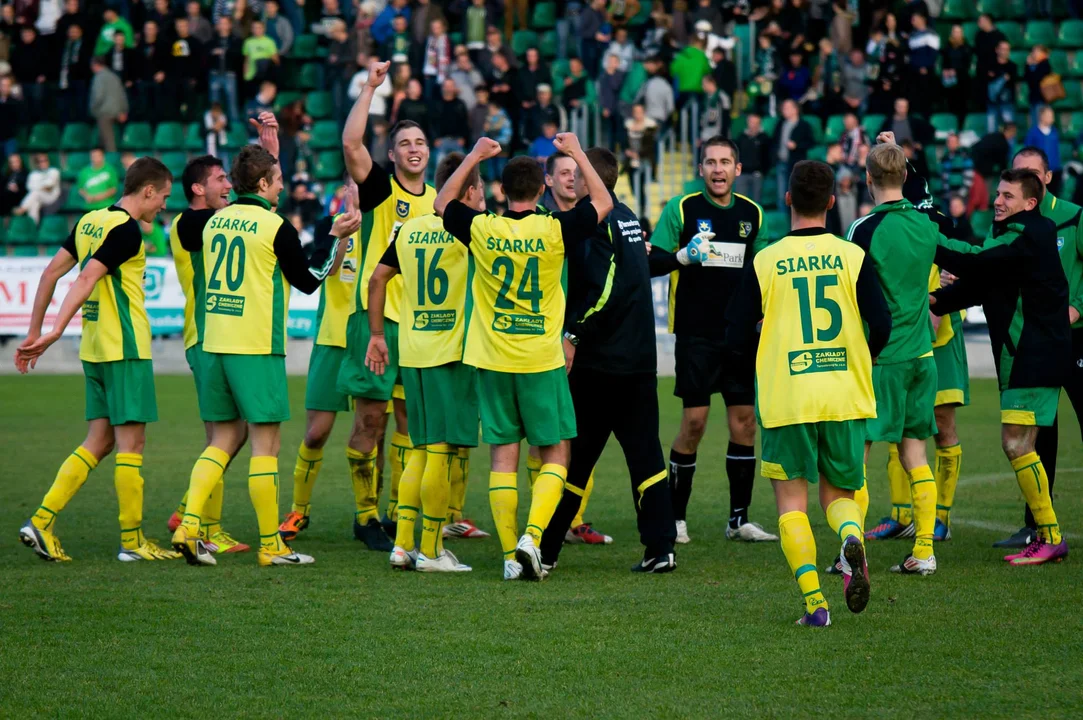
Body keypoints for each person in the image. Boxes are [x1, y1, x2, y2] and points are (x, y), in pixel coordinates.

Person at [170, 141, 359, 567]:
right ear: (262, 183)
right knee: (266, 446)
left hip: (213, 342)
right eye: (277, 181)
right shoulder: (276, 227)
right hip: (255, 346)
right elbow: (310, 280)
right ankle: (272, 545)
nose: (282, 188)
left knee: (220, 441)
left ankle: (188, 525)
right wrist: (334, 236)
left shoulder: (214, 223)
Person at [434, 134, 614, 579]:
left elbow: (441, 202)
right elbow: (604, 201)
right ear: (540, 190)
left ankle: (508, 558)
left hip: (493, 359)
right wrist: (574, 153)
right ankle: (532, 537)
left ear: (501, 192)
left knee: (502, 460)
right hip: (540, 358)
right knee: (554, 454)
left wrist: (474, 155)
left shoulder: (483, 227)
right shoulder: (556, 228)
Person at [727, 159, 890, 627]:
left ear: (788, 200)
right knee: (840, 493)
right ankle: (848, 538)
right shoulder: (852, 256)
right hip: (843, 392)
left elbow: (736, 333)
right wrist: (861, 355)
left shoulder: (766, 259)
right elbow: (881, 324)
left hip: (788, 394)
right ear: (832, 203)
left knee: (790, 504)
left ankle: (816, 606)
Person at [15, 157, 179, 563]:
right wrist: (53, 332)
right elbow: (86, 279)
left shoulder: (90, 221)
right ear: (147, 191)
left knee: (100, 441)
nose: (163, 206)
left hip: (95, 348)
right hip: (124, 347)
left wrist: (35, 330)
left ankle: (41, 521)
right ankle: (132, 542)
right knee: (132, 444)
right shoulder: (126, 231)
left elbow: (50, 273)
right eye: (163, 197)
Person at [540, 147, 679, 573]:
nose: (570, 181)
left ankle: (544, 552)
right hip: (639, 360)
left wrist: (573, 333)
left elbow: (605, 288)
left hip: (603, 364)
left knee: (576, 459)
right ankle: (661, 549)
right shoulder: (629, 217)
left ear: (587, 179)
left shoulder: (597, 221)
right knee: (646, 458)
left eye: (575, 174)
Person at [932, 169, 1070, 566]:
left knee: (1016, 443)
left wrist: (926, 238)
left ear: (1030, 202)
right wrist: (936, 301)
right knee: (1018, 444)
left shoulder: (1031, 232)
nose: (997, 200)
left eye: (1008, 196)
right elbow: (980, 286)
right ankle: (1048, 534)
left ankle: (1050, 535)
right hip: (1026, 357)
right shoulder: (1015, 238)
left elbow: (971, 262)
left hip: (1035, 357)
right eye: (997, 193)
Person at [363, 152, 490, 572]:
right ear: (469, 191)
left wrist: (378, 335)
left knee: (419, 448)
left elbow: (377, 278)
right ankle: (433, 550)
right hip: (451, 353)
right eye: (482, 190)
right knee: (441, 452)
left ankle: (402, 544)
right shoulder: (471, 230)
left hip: (413, 351)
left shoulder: (410, 229)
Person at [652, 137, 777, 545]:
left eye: (725, 162)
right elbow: (651, 259)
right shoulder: (683, 208)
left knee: (744, 425)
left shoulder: (752, 213)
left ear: (738, 170)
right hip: (696, 334)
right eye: (710, 162)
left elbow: (764, 271)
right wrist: (682, 256)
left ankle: (738, 520)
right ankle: (676, 518)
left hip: (740, 337)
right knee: (694, 423)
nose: (718, 169)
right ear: (700, 169)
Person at [337, 60, 436, 551]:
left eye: (419, 143)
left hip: (420, 327)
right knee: (370, 420)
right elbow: (352, 144)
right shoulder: (380, 191)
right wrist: (372, 88)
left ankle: (399, 510)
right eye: (404, 144)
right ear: (392, 156)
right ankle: (364, 515)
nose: (413, 150)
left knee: (408, 423)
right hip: (376, 321)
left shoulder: (441, 201)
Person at [163, 153, 265, 555]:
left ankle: (191, 512)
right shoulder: (193, 223)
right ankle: (204, 528)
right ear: (198, 189)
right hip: (205, 336)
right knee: (221, 436)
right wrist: (259, 177)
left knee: (231, 434)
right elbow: (252, 214)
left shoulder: (211, 221)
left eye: (228, 178)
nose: (227, 186)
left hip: (216, 337)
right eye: (220, 180)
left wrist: (264, 159)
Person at [846, 140, 940, 576]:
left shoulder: (863, 229)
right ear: (903, 176)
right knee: (915, 455)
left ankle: (850, 551)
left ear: (867, 180)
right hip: (923, 354)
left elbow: (852, 295)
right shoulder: (926, 224)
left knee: (857, 455)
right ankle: (924, 551)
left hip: (882, 359)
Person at [990, 147, 1083, 549]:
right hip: (1035, 343)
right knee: (1037, 436)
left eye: (1032, 172)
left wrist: (1077, 308)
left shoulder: (1074, 216)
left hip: (1075, 336)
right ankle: (1036, 526)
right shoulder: (1008, 223)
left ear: (1046, 178)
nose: (1024, 177)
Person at [772, 99, 814, 230]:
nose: (785, 110)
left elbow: (810, 142)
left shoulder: (803, 125)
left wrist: (797, 146)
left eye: (788, 107)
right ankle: (783, 226)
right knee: (781, 196)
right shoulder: (780, 124)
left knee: (795, 194)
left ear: (796, 109)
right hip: (781, 163)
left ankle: (795, 225)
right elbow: (774, 142)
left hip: (796, 165)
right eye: (784, 108)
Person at [89, 55, 129, 153]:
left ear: (95, 65)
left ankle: (112, 160)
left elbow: (98, 96)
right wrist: (123, 111)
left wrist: (92, 110)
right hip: (117, 112)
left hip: (104, 113)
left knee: (109, 143)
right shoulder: (114, 76)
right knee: (102, 139)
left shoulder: (99, 77)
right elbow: (122, 95)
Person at [1023, 106, 1062, 196]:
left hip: (1054, 171)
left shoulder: (1054, 132)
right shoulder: (1033, 133)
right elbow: (1028, 151)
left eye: (1052, 116)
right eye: (1049, 116)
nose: (1052, 119)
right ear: (1041, 116)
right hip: (1038, 172)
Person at [734, 114, 770, 205]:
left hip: (757, 174)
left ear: (760, 123)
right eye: (751, 122)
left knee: (756, 202)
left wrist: (763, 171)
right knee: (740, 202)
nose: (753, 125)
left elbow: (768, 156)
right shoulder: (741, 137)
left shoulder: (764, 138)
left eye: (756, 123)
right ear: (747, 123)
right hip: (742, 174)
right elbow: (735, 154)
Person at [14, 153, 61, 223]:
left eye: (45, 160)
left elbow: (49, 187)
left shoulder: (54, 171)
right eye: (40, 161)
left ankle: (22, 208)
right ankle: (33, 226)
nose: (43, 163)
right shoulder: (33, 174)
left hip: (51, 197)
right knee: (34, 204)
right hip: (38, 197)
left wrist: (38, 186)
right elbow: (29, 187)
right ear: (37, 163)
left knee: (35, 193)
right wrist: (42, 186)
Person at [986, 41, 1017, 133]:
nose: (1005, 52)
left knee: (1010, 131)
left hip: (1007, 102)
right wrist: (1003, 78)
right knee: (991, 131)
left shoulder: (1012, 66)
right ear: (997, 50)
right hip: (992, 102)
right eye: (1002, 49)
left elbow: (1013, 83)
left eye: (1007, 49)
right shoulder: (990, 65)